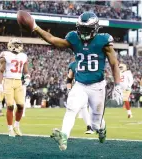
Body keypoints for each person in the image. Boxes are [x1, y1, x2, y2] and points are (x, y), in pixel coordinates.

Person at [31, 12, 122, 150]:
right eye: (82, 28)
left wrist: (118, 85)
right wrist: (35, 27)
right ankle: (64, 135)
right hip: (80, 84)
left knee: (95, 124)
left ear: (95, 28)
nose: (84, 32)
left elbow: (114, 64)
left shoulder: (104, 41)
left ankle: (101, 129)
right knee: (71, 108)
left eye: (87, 29)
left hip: (97, 87)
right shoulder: (73, 38)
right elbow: (52, 40)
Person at [0, 38, 30, 137]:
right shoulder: (6, 55)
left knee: (21, 105)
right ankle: (10, 128)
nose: (16, 47)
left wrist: (27, 77)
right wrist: (0, 83)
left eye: (18, 45)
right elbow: (1, 70)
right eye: (15, 44)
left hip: (18, 82)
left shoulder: (23, 56)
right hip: (8, 81)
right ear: (10, 45)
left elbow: (25, 70)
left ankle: (16, 126)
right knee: (10, 106)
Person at [67, 61, 94, 134]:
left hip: (85, 88)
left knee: (75, 109)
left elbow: (69, 79)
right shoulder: (74, 64)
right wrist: (69, 89)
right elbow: (69, 79)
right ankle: (90, 127)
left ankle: (65, 131)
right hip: (81, 88)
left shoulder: (74, 64)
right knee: (84, 107)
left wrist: (69, 89)